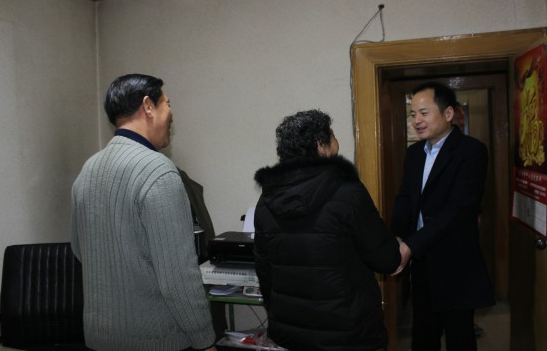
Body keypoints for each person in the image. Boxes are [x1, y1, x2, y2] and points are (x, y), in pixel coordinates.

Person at [71, 74, 217, 351]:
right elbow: (178, 278)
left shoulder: (88, 169)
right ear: (148, 106)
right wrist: (205, 340)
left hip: (99, 337)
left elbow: (80, 249)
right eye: (167, 104)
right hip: (155, 339)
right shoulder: (159, 171)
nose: (171, 114)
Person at [253, 109, 401, 351]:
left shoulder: (266, 201)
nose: (336, 142)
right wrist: (401, 248)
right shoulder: (348, 192)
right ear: (321, 146)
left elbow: (264, 272)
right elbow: (386, 259)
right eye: (332, 136)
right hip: (349, 334)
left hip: (293, 335)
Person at [391, 82, 495, 351]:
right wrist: (397, 237)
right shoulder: (414, 154)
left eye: (424, 113)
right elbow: (405, 198)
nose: (417, 120)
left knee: (460, 337)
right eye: (413, 114)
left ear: (448, 114)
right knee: (423, 336)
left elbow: (458, 209)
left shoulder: (471, 151)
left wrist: (410, 245)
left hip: (455, 263)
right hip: (421, 262)